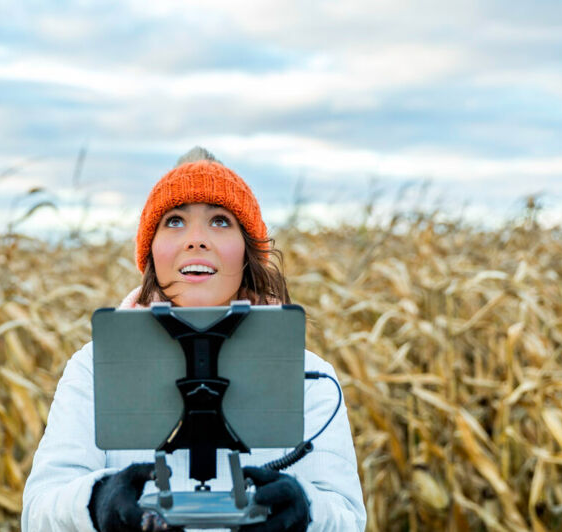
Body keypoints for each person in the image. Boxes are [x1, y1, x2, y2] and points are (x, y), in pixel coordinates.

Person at [20, 148, 366, 531]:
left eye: (220, 221)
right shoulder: (94, 367)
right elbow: (39, 513)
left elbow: (347, 518)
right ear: (150, 252)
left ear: (249, 253)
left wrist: (306, 511)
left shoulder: (310, 376)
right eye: (174, 221)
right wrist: (96, 501)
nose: (196, 239)